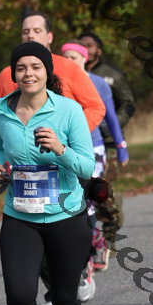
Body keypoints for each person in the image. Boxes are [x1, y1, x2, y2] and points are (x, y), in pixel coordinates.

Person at [0, 41, 95, 305]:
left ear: (48, 71)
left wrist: (60, 149)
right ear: (13, 73)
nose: (28, 73)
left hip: (66, 216)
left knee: (64, 299)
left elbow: (87, 166)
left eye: (36, 66)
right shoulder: (0, 110)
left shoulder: (68, 110)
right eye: (21, 68)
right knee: (19, 296)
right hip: (20, 216)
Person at [0, 11, 105, 305]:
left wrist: (68, 140)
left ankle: (77, 269)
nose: (31, 35)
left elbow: (95, 106)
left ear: (50, 36)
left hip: (64, 160)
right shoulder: (6, 75)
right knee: (31, 228)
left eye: (37, 30)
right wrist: (2, 160)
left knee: (68, 222)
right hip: (25, 174)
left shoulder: (69, 68)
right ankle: (55, 288)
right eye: (25, 31)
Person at [61, 39, 129, 271]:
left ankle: (98, 242)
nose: (69, 62)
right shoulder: (56, 83)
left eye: (73, 58)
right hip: (66, 150)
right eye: (65, 58)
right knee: (74, 201)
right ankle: (86, 247)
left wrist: (121, 146)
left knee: (90, 199)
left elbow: (110, 117)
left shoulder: (98, 83)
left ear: (84, 58)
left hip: (94, 148)